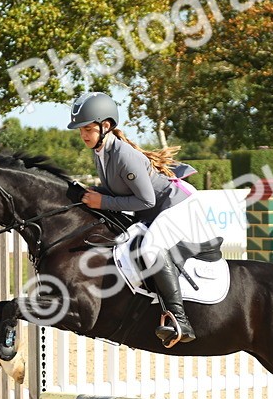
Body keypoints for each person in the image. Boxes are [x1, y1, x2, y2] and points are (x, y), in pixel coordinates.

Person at [66, 92, 209, 346]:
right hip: (152, 209)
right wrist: (92, 194)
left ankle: (179, 319)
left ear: (105, 126)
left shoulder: (123, 154)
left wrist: (103, 201)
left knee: (149, 247)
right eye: (81, 130)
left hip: (175, 206)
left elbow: (146, 201)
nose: (84, 135)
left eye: (88, 128)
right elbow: (119, 193)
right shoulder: (101, 151)